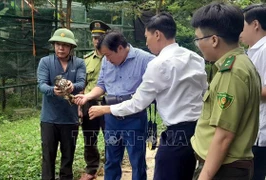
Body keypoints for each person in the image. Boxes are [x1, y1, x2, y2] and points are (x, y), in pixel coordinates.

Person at [76, 12, 208, 180]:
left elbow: (137, 103)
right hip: (197, 130)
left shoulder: (154, 62)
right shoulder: (195, 58)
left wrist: (106, 109)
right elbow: (205, 92)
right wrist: (90, 98)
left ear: (157, 34)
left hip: (160, 127)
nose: (146, 42)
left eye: (147, 37)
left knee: (147, 164)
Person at [190, 2, 261, 180]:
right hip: (224, 166)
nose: (197, 45)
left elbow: (224, 136)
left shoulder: (232, 72)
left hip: (223, 169)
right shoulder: (241, 62)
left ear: (214, 40)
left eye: (198, 39)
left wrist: (204, 176)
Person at [75, 30, 155, 180]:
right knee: (111, 158)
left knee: (136, 160)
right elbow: (102, 85)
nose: (106, 59)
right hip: (111, 116)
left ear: (119, 48)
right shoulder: (107, 60)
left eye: (108, 55)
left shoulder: (146, 60)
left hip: (134, 117)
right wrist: (87, 96)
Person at [37, 28, 86, 180]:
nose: (61, 48)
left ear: (71, 47)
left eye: (65, 45)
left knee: (68, 157)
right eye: (58, 44)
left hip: (70, 119)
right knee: (48, 157)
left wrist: (73, 86)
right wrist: (53, 90)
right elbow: (41, 85)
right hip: (49, 120)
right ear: (54, 45)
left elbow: (81, 82)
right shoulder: (45, 62)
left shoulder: (79, 63)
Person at [79, 20, 111, 180]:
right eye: (94, 37)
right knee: (89, 138)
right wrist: (80, 107)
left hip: (108, 103)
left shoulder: (112, 57)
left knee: (110, 137)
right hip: (90, 103)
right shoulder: (86, 60)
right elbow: (82, 85)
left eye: (100, 37)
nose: (96, 40)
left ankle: (111, 166)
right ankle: (92, 169)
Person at [240, 4, 266, 180]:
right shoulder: (253, 51)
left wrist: (240, 94)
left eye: (242, 25)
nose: (239, 31)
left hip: (262, 132)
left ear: (255, 24)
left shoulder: (264, 50)